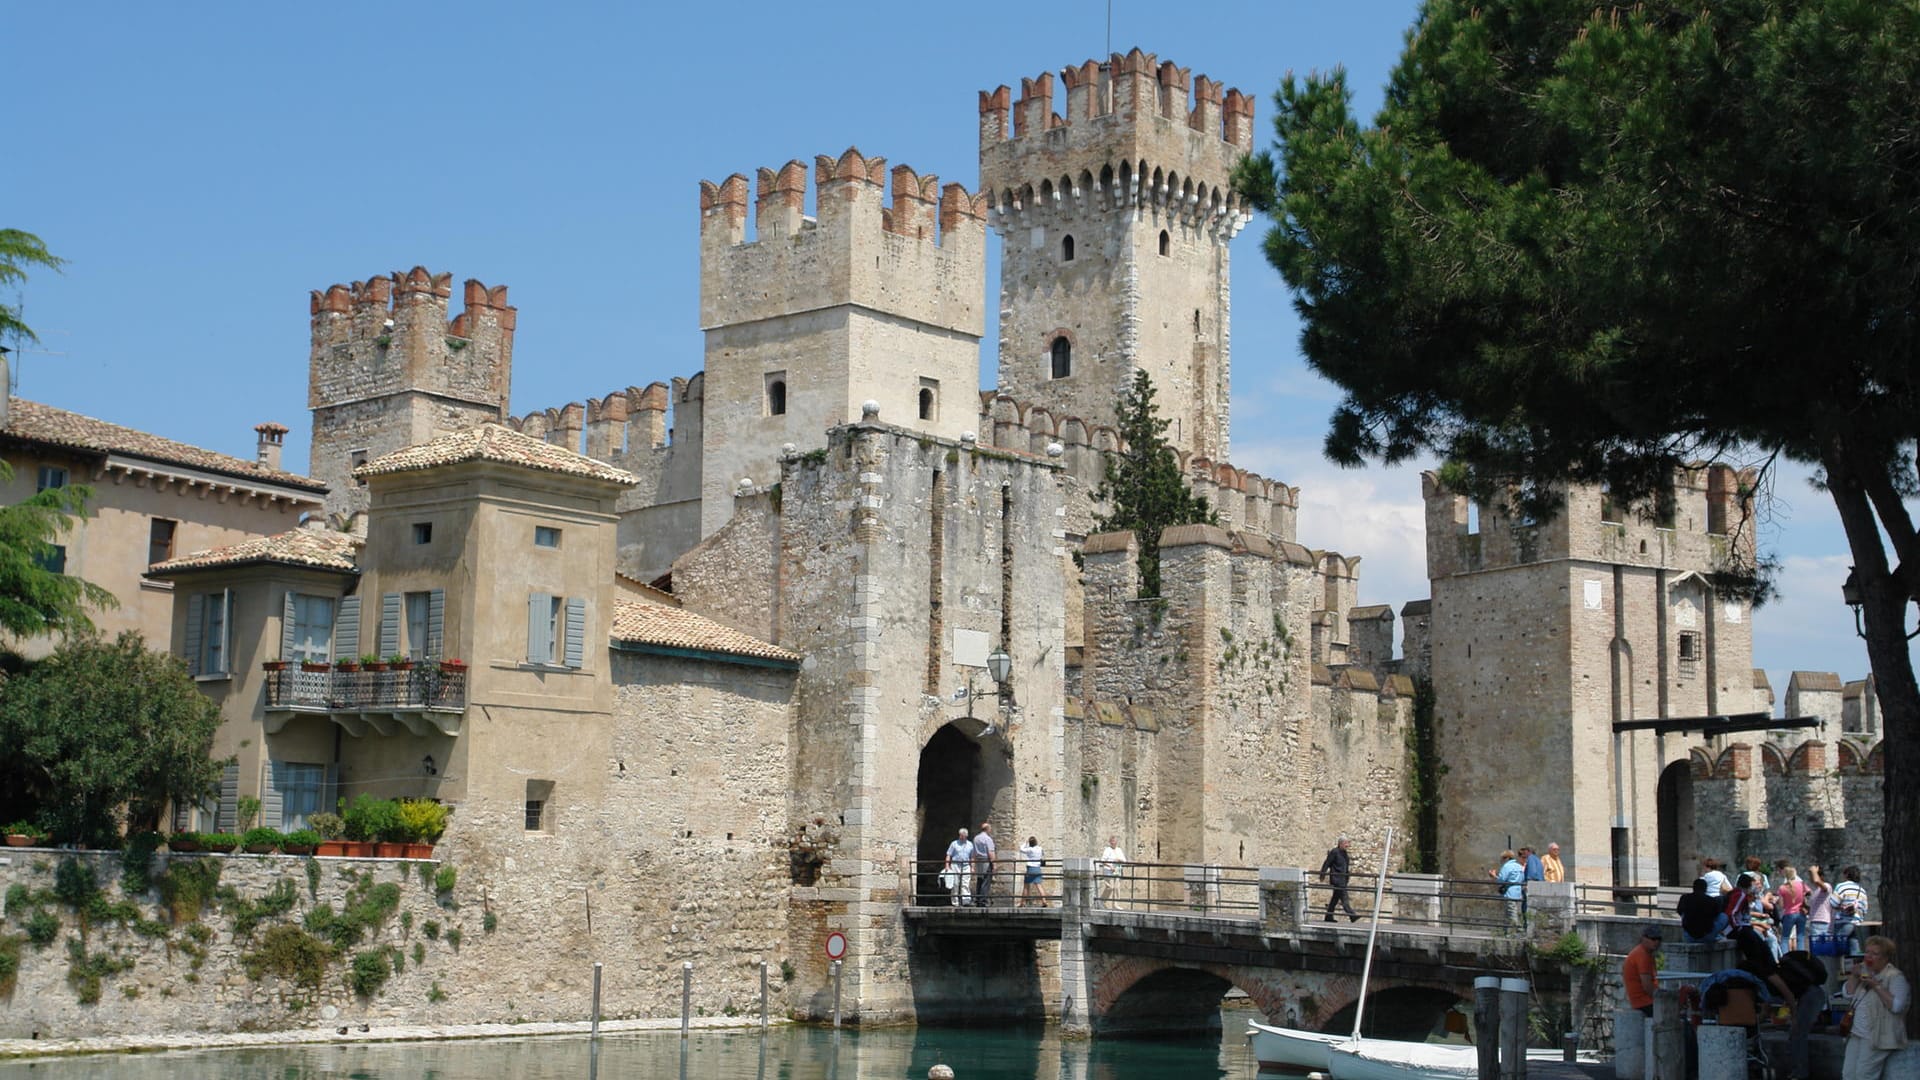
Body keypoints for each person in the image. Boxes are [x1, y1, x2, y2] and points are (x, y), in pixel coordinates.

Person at [1841, 936, 1909, 1080]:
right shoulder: (1864, 972)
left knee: (1863, 1075)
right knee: (1848, 1075)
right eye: (1867, 952)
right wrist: (1854, 976)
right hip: (1856, 1033)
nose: (1869, 957)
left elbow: (1897, 1007)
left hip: (1877, 1035)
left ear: (1885, 958)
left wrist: (1876, 985)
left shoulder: (1895, 977)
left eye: (1875, 953)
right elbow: (1847, 994)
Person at [1777, 950, 1830, 1080]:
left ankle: (1799, 1073)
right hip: (1813, 995)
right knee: (1799, 1032)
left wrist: (1794, 1016)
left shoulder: (1771, 977)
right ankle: (1798, 1072)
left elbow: (1788, 996)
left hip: (1811, 997)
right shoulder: (1777, 973)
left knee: (1797, 1035)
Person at [1622, 925, 1662, 1016]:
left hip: (1642, 1002)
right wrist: (1661, 999)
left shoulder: (1643, 953)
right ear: (1644, 938)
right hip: (1644, 1003)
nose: (1656, 942)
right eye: (1653, 938)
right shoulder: (1643, 955)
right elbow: (1647, 986)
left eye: (1659, 939)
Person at [1320, 835, 1359, 922]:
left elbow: (1346, 867)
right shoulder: (1335, 852)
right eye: (1346, 843)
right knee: (1344, 897)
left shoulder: (1344, 854)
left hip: (1343, 879)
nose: (1347, 845)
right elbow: (1327, 863)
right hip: (1337, 879)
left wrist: (1347, 877)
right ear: (1341, 843)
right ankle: (1352, 915)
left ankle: (1328, 916)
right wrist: (1322, 874)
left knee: (1335, 898)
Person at [1834, 867, 1869, 953]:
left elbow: (1833, 903)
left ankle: (1841, 966)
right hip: (1857, 923)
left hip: (1843, 922)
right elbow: (1865, 910)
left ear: (1846, 875)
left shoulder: (1841, 886)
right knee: (1854, 951)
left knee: (1839, 951)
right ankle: (1854, 965)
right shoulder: (1862, 890)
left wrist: (1842, 907)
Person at [1776, 863, 1809, 953]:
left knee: (1785, 938)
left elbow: (1781, 905)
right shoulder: (1801, 884)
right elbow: (1809, 892)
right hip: (1801, 912)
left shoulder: (1782, 888)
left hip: (1789, 913)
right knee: (1800, 937)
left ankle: (1786, 958)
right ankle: (1801, 958)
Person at [1678, 878, 1722, 943]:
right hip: (1707, 936)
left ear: (1693, 888)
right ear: (1706, 889)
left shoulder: (1684, 898)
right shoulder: (1711, 900)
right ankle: (1717, 935)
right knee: (1724, 916)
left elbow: (1680, 911)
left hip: (1689, 936)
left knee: (1684, 914)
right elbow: (1716, 915)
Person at [1490, 850, 1526, 928]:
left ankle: (1516, 931)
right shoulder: (1519, 866)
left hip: (1510, 893)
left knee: (1511, 913)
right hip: (1518, 893)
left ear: (1506, 858)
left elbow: (1501, 880)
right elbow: (1523, 878)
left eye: (1502, 858)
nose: (1501, 860)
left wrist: (1494, 876)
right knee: (1516, 912)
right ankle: (1508, 931)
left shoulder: (1507, 866)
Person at [1808, 864, 1836, 951]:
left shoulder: (1827, 886)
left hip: (1821, 921)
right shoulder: (1816, 891)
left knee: (1818, 949)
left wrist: (1814, 871)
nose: (1811, 878)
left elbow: (1816, 880)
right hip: (1815, 921)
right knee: (1818, 950)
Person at [943, 827, 974, 907]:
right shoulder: (954, 844)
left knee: (965, 883)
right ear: (959, 835)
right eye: (961, 835)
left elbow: (972, 857)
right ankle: (955, 902)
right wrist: (947, 865)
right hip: (955, 864)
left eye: (964, 836)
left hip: (966, 865)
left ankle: (966, 901)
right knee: (955, 883)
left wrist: (972, 867)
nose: (963, 837)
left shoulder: (970, 844)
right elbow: (949, 855)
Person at [972, 821, 996, 907]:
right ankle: (983, 901)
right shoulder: (988, 839)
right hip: (986, 860)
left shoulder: (976, 838)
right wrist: (994, 864)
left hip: (979, 860)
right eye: (990, 829)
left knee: (980, 880)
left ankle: (978, 900)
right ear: (987, 829)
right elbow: (990, 852)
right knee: (986, 881)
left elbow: (974, 852)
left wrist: (973, 864)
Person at [1018, 835, 1045, 907]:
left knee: (1026, 886)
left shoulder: (1030, 849)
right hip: (1038, 868)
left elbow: (1021, 849)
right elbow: (1043, 855)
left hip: (1030, 868)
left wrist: (1025, 843)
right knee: (1039, 886)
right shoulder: (1040, 848)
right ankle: (1044, 901)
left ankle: (1022, 903)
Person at [1098, 836, 1126, 906]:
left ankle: (1116, 904)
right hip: (1108, 870)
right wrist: (1110, 866)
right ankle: (1101, 902)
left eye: (1115, 841)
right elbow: (1103, 860)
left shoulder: (1119, 850)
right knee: (1110, 887)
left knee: (1116, 888)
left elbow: (1124, 860)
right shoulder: (1107, 850)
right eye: (1112, 841)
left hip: (1117, 870)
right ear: (1110, 842)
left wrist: (1119, 860)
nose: (1114, 842)